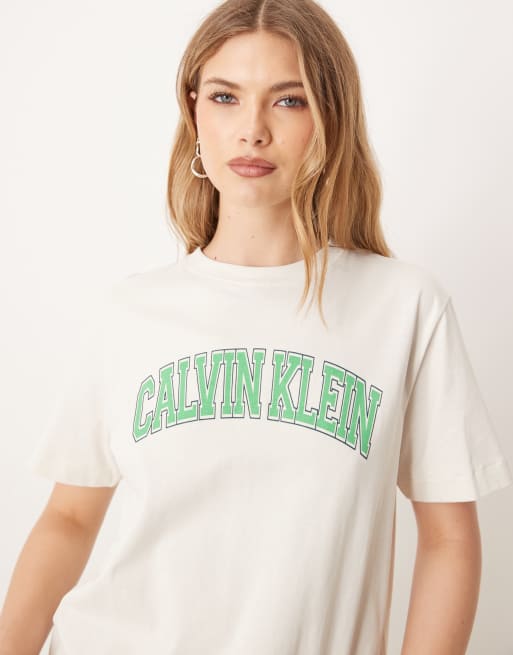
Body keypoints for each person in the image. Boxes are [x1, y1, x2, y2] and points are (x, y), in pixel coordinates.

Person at [1, 0, 512, 654]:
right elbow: (70, 519)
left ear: (331, 118)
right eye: (225, 97)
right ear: (194, 113)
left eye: (288, 101)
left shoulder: (404, 307)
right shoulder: (129, 313)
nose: (252, 130)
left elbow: (448, 538)